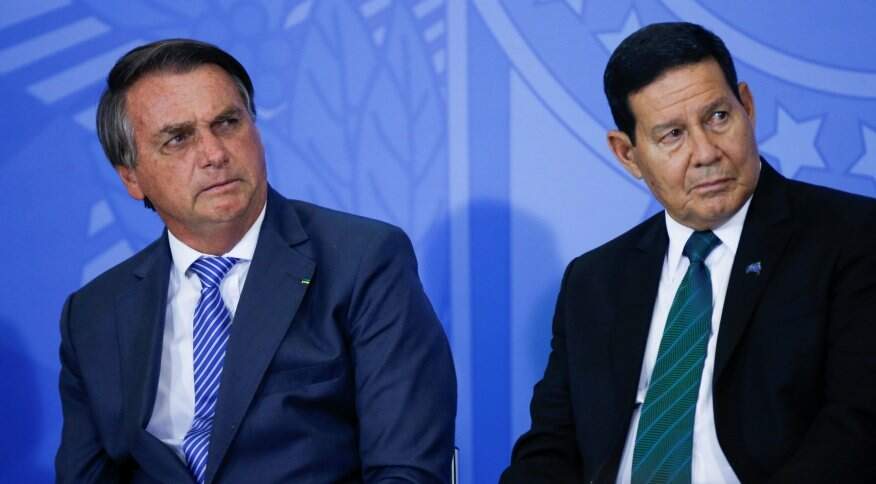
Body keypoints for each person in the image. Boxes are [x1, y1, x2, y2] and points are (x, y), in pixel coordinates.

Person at [56, 39, 456, 484]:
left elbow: (407, 470)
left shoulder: (361, 261)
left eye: (227, 123)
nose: (214, 154)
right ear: (131, 178)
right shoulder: (94, 314)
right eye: (178, 138)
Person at [502, 22, 876, 483]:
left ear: (747, 106)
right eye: (673, 135)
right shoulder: (595, 280)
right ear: (627, 154)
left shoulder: (851, 237)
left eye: (718, 117)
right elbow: (551, 445)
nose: (705, 153)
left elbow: (857, 426)